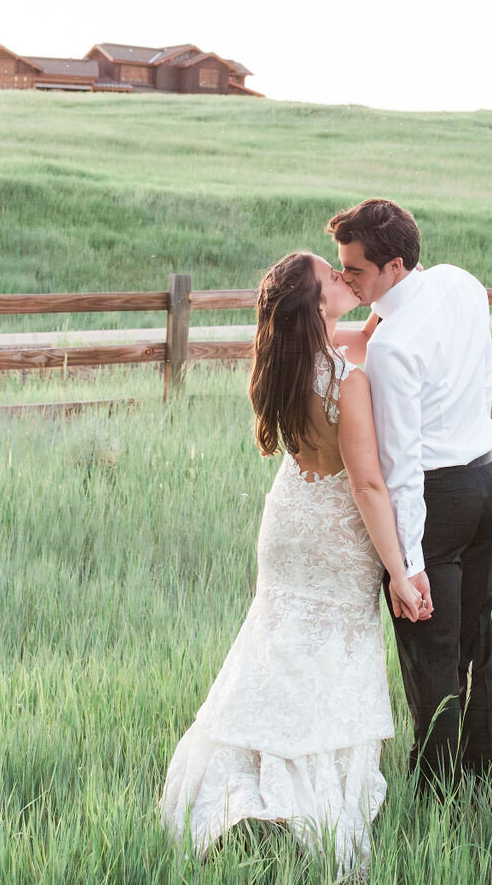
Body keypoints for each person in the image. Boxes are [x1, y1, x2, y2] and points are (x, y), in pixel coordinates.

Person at [159, 251, 426, 877]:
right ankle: (302, 804)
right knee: (329, 658)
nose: (343, 278)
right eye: (332, 278)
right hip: (333, 532)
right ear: (314, 306)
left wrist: (385, 306)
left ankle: (242, 794)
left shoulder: (285, 363)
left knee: (276, 651)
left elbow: (365, 334)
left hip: (286, 525)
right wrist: (401, 572)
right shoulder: (347, 380)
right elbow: (366, 486)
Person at [327, 198, 492, 790]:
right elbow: (488, 375)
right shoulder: (460, 283)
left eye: (354, 269)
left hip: (437, 499)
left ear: (394, 265)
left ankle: (438, 797)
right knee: (474, 638)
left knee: (431, 658)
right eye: (341, 267)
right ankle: (481, 771)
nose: (345, 278)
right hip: (487, 482)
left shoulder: (392, 346)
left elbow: (400, 468)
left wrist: (407, 564)